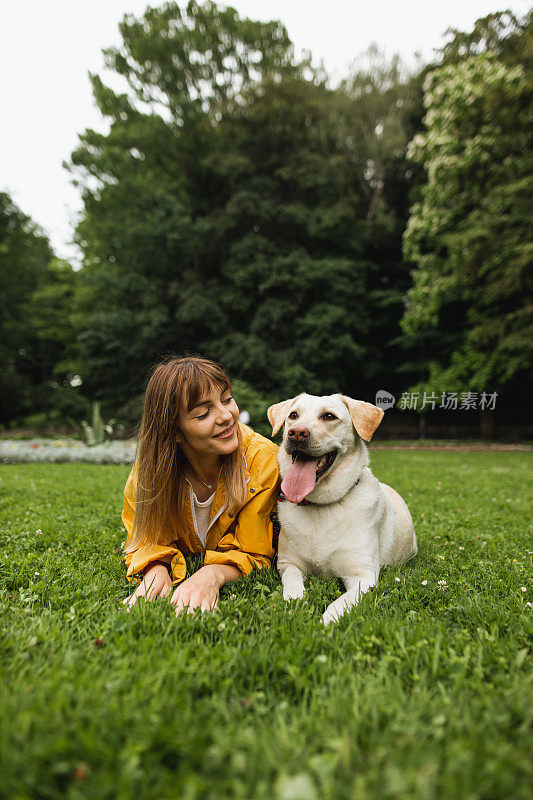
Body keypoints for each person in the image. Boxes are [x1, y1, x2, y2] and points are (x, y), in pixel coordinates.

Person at [121, 355, 279, 616]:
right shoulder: (149, 471)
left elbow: (254, 549)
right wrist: (154, 570)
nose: (227, 416)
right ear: (174, 431)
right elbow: (142, 537)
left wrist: (212, 574)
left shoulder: (263, 460)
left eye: (227, 399)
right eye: (203, 413)